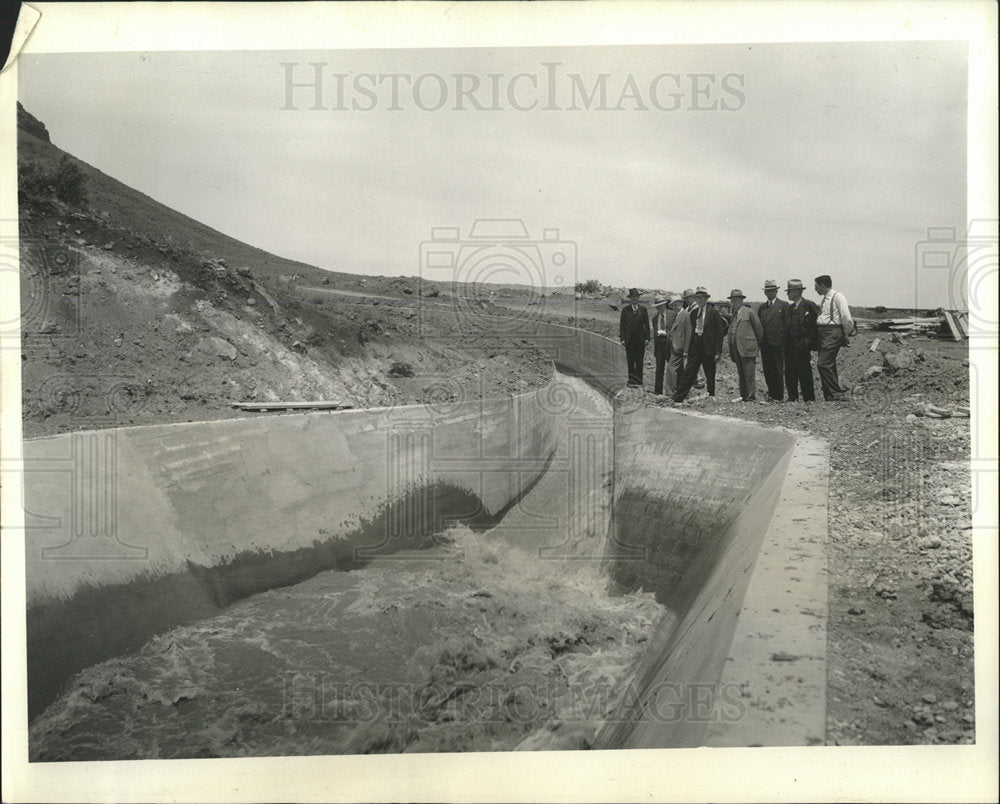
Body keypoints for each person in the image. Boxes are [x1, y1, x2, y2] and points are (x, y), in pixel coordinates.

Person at [672, 286, 726, 403]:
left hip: (708, 346)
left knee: (710, 372)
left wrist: (718, 352)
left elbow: (719, 334)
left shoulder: (714, 313)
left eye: (702, 298)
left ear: (706, 299)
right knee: (689, 371)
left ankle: (711, 396)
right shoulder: (694, 312)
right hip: (696, 345)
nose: (700, 300)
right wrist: (688, 348)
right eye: (698, 298)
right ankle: (678, 397)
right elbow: (690, 331)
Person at [814, 274, 854, 402]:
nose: (815, 290)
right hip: (823, 333)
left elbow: (846, 318)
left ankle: (837, 393)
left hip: (832, 332)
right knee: (829, 364)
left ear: (823, 285)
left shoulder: (838, 297)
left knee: (823, 363)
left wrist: (845, 334)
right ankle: (829, 395)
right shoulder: (825, 298)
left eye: (816, 287)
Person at [783, 279, 819, 403]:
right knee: (789, 373)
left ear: (797, 292)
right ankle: (792, 398)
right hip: (789, 346)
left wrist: (808, 341)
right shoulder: (790, 308)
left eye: (790, 291)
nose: (787, 294)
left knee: (804, 372)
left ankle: (809, 399)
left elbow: (816, 325)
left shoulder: (809, 305)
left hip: (802, 346)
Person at [726, 289, 763, 402]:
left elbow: (759, 331)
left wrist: (755, 346)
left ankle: (750, 397)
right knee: (741, 373)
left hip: (747, 347)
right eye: (733, 300)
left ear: (742, 300)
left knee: (749, 374)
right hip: (736, 347)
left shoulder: (749, 312)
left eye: (737, 299)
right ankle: (743, 395)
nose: (735, 302)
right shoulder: (733, 314)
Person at [758, 279, 788, 401]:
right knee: (767, 370)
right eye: (767, 291)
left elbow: (787, 325)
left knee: (778, 370)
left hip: (778, 343)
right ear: (765, 293)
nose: (770, 293)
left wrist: (784, 343)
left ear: (776, 291)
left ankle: (779, 396)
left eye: (772, 290)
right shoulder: (762, 308)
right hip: (765, 344)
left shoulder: (783, 305)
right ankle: (771, 394)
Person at [619, 287, 650, 388]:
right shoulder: (625, 310)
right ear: (630, 298)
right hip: (629, 340)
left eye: (636, 296)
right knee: (630, 361)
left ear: (638, 298)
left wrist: (647, 338)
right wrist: (623, 339)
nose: (634, 299)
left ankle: (639, 381)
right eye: (633, 297)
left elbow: (647, 325)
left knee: (639, 361)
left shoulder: (643, 310)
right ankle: (631, 381)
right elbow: (622, 326)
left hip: (640, 340)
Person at [650, 294, 678, 395]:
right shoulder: (655, 318)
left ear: (664, 305)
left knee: (671, 369)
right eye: (657, 307)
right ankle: (657, 391)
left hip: (670, 346)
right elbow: (654, 334)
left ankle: (673, 391)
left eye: (661, 306)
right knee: (659, 369)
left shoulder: (672, 314)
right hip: (660, 346)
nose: (659, 308)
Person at [666, 292, 688, 394]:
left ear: (681, 303)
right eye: (672, 306)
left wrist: (683, 347)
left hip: (679, 348)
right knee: (679, 371)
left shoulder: (685, 315)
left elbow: (688, 333)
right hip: (675, 347)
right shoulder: (678, 315)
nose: (673, 307)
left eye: (675, 305)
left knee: (671, 369)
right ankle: (677, 392)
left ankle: (670, 392)